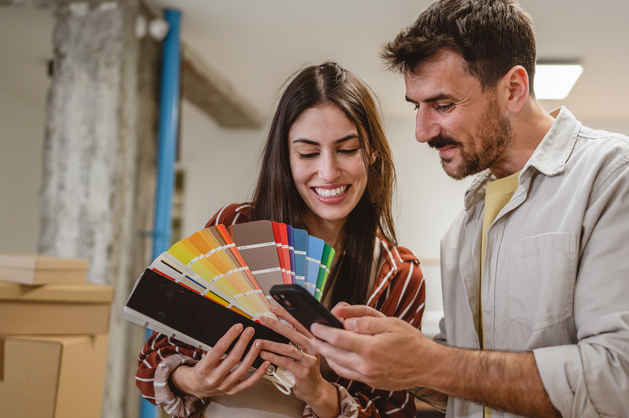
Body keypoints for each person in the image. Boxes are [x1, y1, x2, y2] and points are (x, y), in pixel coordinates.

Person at [309, 0, 629, 418]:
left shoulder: (628, 178)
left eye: (442, 104)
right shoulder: (465, 227)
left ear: (513, 88)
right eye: (417, 106)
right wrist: (380, 356)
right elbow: (471, 383)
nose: (422, 131)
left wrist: (431, 362)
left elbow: (620, 387)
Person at [135, 61, 426, 418]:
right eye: (307, 153)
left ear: (374, 152)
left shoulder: (396, 275)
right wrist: (196, 381)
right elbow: (152, 360)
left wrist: (321, 394)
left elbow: (395, 410)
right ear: (286, 158)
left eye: (347, 149)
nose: (328, 171)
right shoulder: (237, 227)